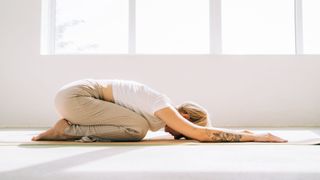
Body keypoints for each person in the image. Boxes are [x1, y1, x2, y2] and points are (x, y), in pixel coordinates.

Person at [32, 79, 287, 143]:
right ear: (185, 117)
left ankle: (66, 129)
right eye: (182, 133)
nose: (179, 136)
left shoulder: (153, 111)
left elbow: (197, 132)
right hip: (78, 97)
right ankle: (66, 130)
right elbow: (202, 134)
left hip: (74, 97)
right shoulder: (161, 105)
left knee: (136, 127)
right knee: (137, 129)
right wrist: (254, 136)